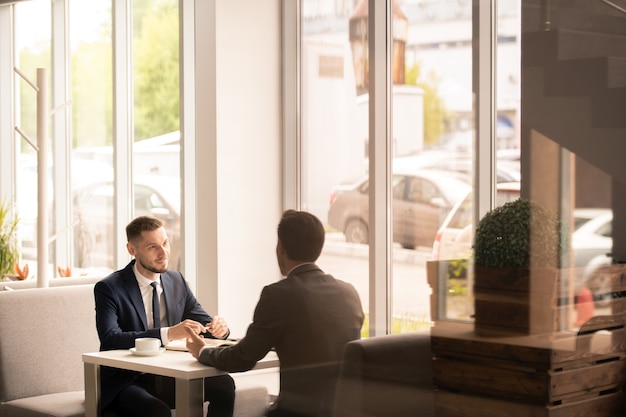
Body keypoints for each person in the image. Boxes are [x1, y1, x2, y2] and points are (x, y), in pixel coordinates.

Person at [185, 209, 364, 417]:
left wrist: (203, 351)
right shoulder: (348, 292)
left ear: (280, 248)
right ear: (319, 247)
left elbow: (242, 359)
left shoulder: (278, 294)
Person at [94, 215, 235, 417]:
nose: (164, 253)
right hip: (127, 381)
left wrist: (220, 330)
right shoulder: (109, 288)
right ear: (132, 250)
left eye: (165, 243)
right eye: (153, 247)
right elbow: (110, 339)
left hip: (169, 375)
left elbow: (203, 323)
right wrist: (167, 333)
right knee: (157, 411)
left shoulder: (176, 280)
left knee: (224, 384)